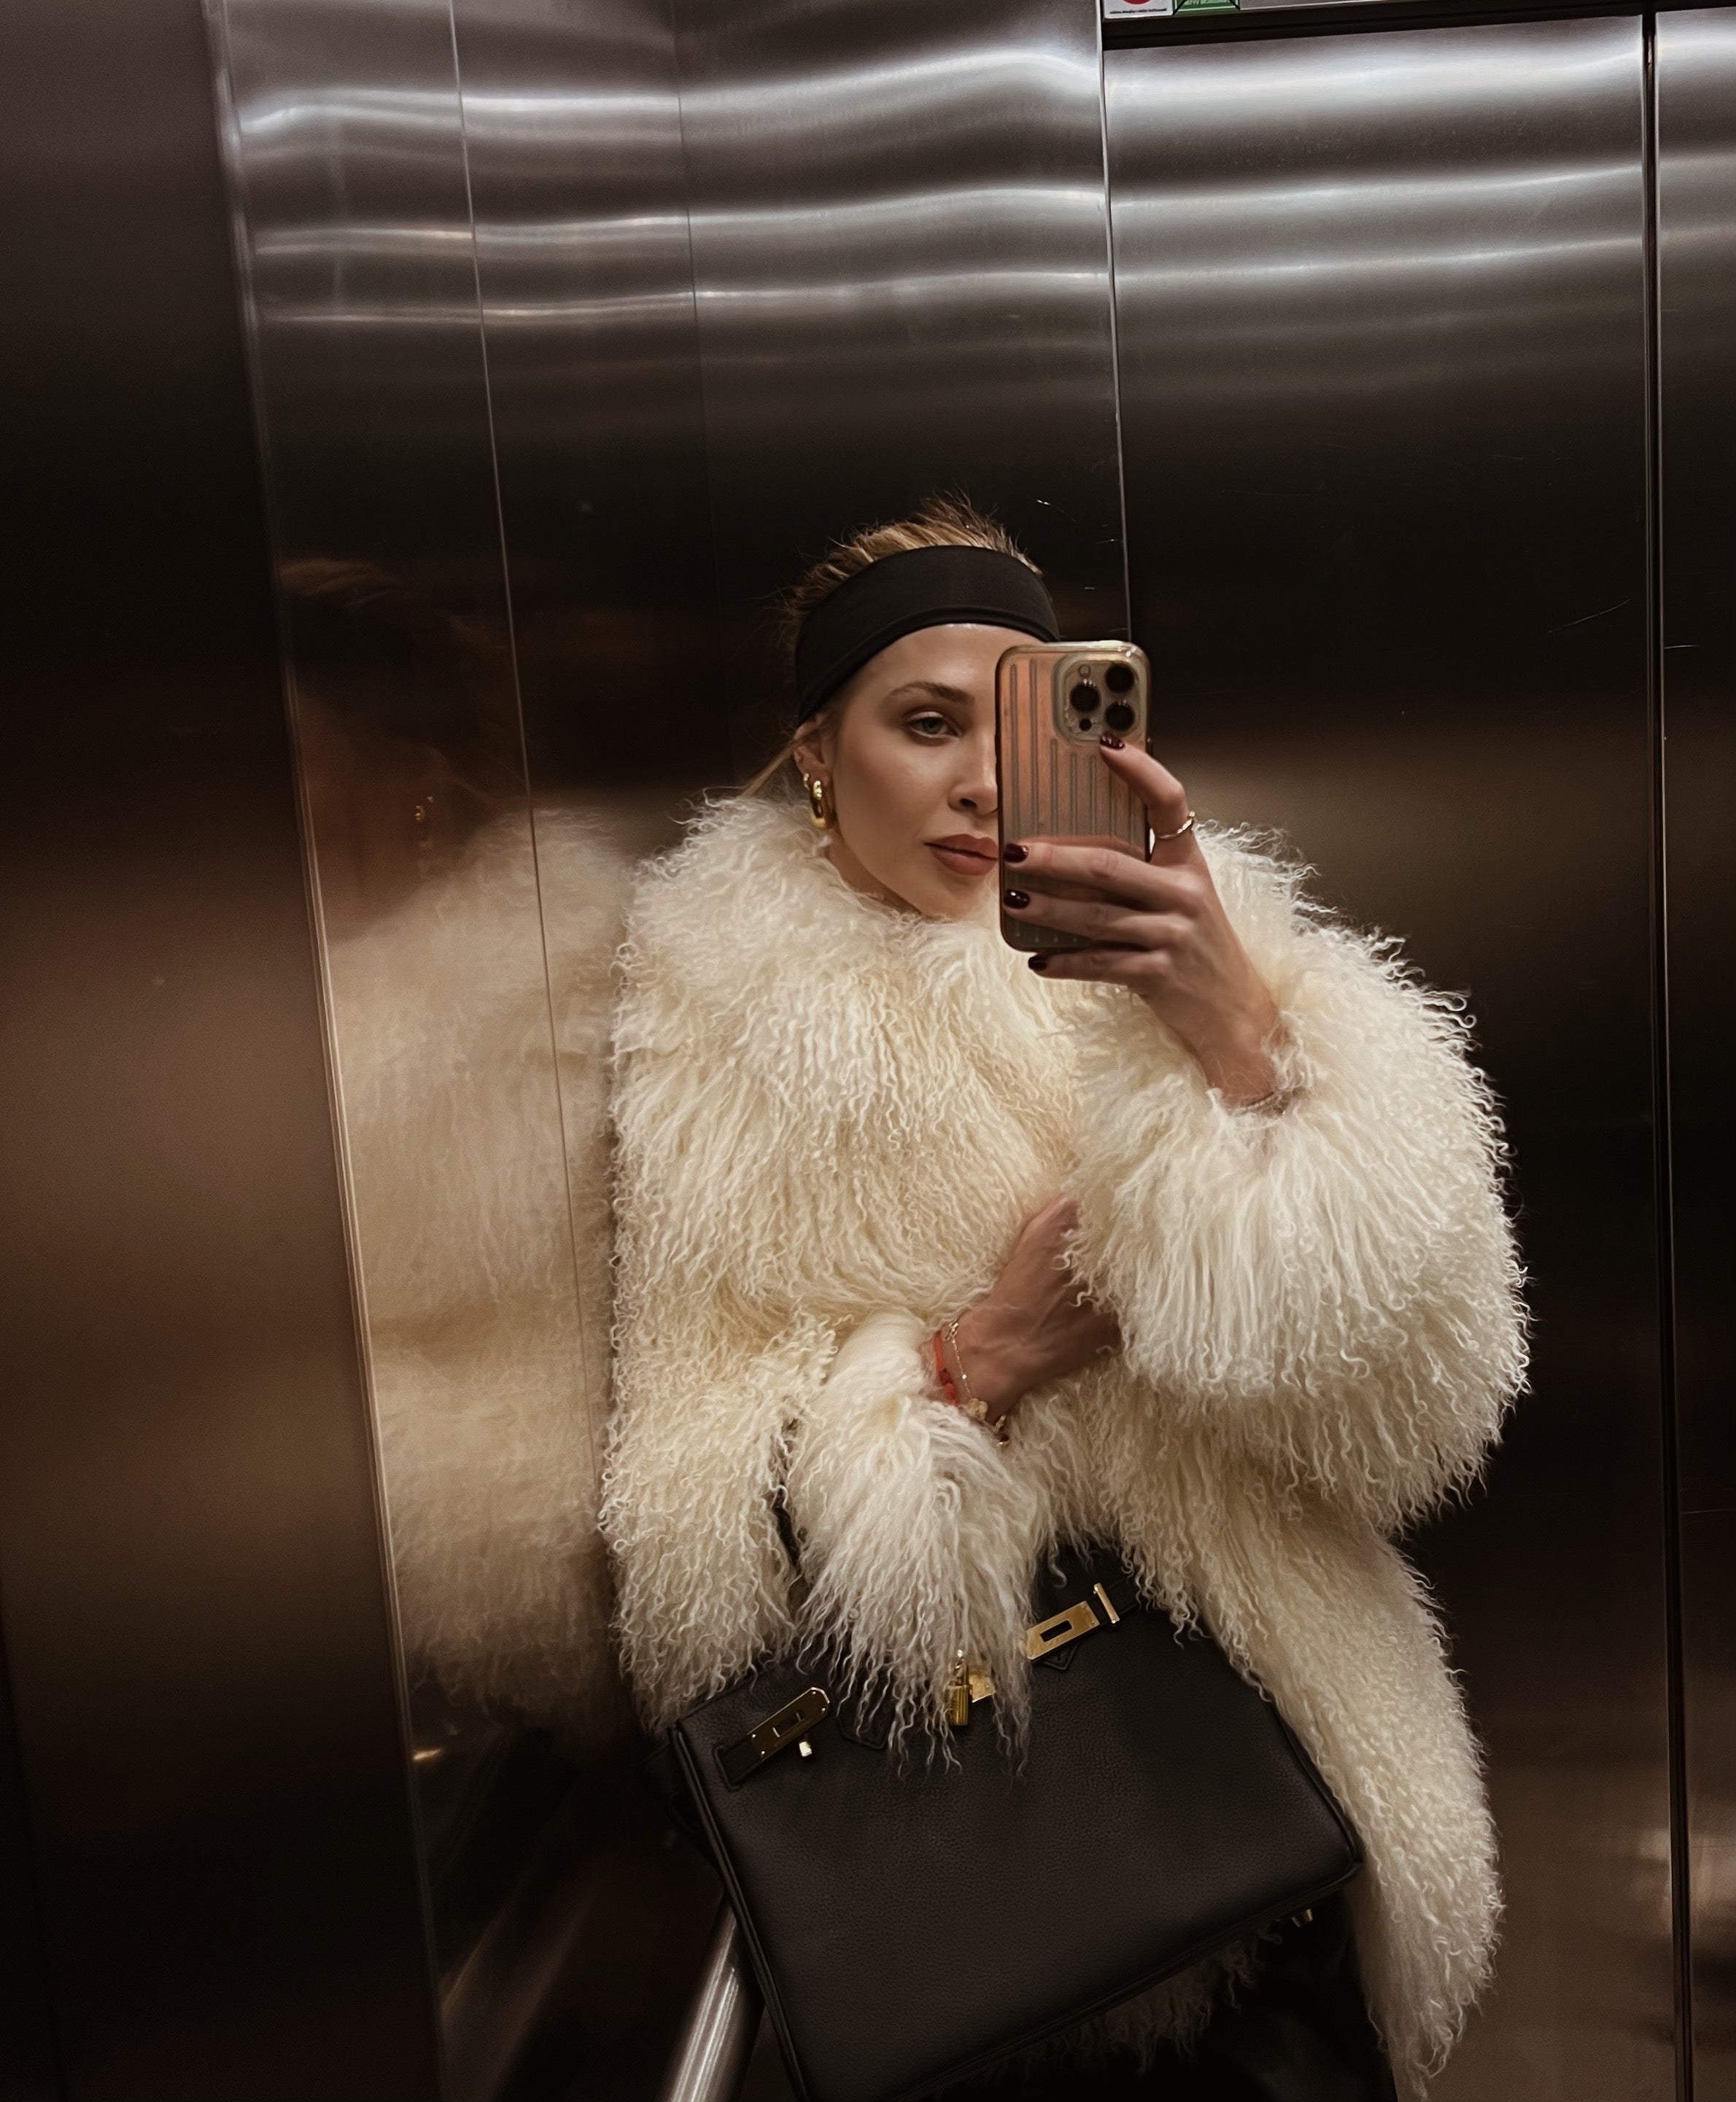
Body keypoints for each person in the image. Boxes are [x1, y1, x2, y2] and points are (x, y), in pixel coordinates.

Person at [600, 496, 1527, 2100]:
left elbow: (1424, 1410)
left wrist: (1245, 1046)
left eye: (1024, 727)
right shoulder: (716, 1028)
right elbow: (692, 1564)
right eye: (923, 723)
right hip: (1001, 1855)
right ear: (816, 752)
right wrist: (973, 1365)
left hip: (1286, 1786)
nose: (979, 780)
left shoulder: (1219, 950)